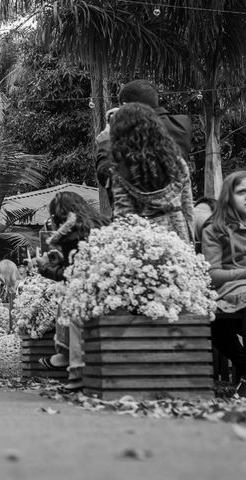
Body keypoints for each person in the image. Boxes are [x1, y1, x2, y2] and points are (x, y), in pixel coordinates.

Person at [35, 191, 108, 391]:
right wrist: (62, 261)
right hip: (110, 285)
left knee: (70, 306)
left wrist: (45, 268)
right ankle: (65, 356)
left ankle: (74, 369)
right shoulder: (101, 223)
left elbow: (73, 275)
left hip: (93, 292)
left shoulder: (72, 232)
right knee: (65, 300)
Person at [96, 79, 192, 206]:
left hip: (140, 216)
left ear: (127, 106)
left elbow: (108, 176)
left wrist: (106, 142)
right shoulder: (183, 124)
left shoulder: (135, 136)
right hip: (175, 211)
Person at [109, 102, 195, 242]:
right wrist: (191, 242)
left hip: (144, 242)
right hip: (178, 235)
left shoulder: (121, 172)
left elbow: (124, 217)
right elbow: (188, 207)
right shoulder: (177, 163)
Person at [201, 171, 246, 397]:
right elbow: (213, 274)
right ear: (228, 196)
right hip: (230, 294)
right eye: (242, 192)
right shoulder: (215, 229)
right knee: (211, 321)